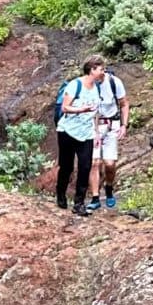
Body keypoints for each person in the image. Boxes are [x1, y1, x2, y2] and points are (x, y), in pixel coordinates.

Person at [52, 57, 118, 215]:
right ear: (92, 69)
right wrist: (81, 110)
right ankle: (61, 194)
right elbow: (65, 107)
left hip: (87, 133)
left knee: (85, 166)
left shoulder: (97, 87)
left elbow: (96, 112)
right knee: (67, 166)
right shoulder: (75, 85)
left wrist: (96, 133)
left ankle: (79, 203)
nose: (103, 73)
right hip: (67, 131)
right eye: (101, 69)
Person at [90, 61, 129, 208]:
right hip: (92, 126)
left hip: (111, 125)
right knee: (94, 162)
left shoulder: (114, 82)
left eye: (100, 69)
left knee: (109, 163)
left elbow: (124, 104)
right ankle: (95, 197)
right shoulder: (87, 83)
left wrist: (124, 125)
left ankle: (109, 188)